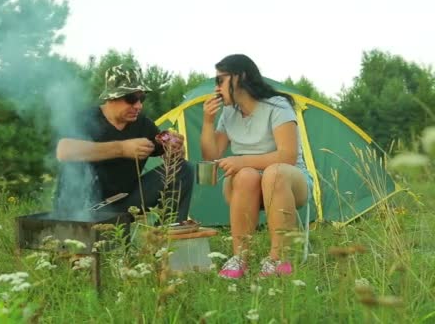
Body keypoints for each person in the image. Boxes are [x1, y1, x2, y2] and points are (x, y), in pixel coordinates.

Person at [200, 54, 313, 279]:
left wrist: (241, 161)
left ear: (239, 77)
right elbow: (211, 155)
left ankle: (278, 260)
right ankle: (240, 258)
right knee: (246, 175)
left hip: (289, 182)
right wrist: (207, 122)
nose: (216, 87)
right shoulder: (228, 113)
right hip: (246, 186)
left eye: (220, 80)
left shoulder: (277, 106)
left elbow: (287, 156)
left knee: (274, 172)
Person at [54, 65, 194, 223]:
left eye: (142, 99)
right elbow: (63, 151)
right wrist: (122, 148)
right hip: (84, 207)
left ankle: (166, 236)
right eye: (132, 99)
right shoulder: (86, 119)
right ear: (111, 97)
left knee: (183, 169)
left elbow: (169, 153)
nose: (138, 106)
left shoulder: (143, 125)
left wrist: (174, 148)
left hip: (126, 201)